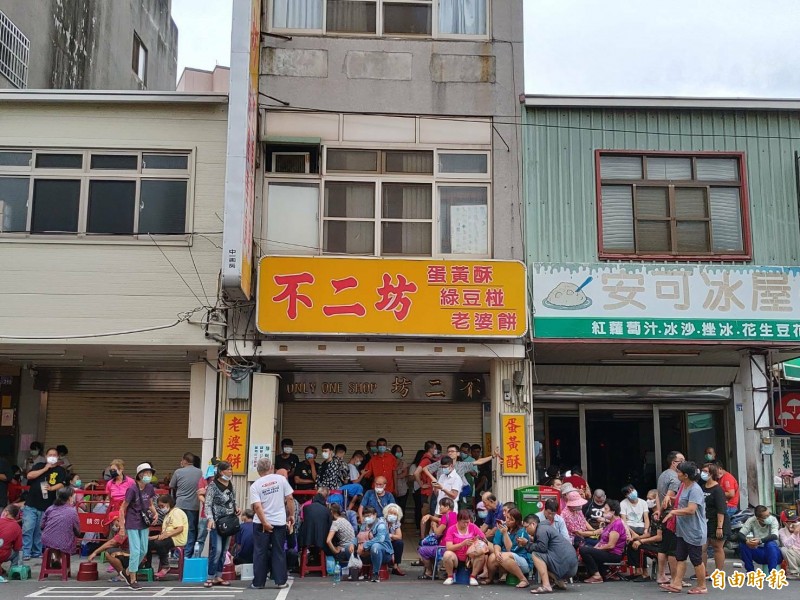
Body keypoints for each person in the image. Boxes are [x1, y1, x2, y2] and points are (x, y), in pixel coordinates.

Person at [661, 461, 707, 595]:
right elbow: (681, 501)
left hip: (694, 531)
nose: (677, 474)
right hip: (682, 530)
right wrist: (670, 498)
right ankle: (676, 584)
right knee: (680, 557)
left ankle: (702, 586)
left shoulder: (695, 489)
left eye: (679, 472)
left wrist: (673, 512)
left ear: (685, 475)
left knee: (696, 560)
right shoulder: (683, 486)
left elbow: (691, 509)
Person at [250, 458, 295, 590]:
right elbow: (290, 498)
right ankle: (280, 581)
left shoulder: (255, 485)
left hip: (260, 524)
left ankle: (258, 583)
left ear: (258, 471)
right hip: (279, 522)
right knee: (278, 551)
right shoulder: (281, 480)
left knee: (260, 552)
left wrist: (264, 523)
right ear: (271, 467)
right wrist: (291, 515)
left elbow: (257, 507)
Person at [23, 446, 68, 560]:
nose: (52, 457)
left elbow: (63, 483)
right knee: (28, 528)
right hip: (31, 503)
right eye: (50, 455)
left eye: (54, 455)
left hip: (47, 505)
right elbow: (29, 476)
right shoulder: (39, 466)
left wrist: (52, 488)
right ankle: (26, 552)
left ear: (58, 457)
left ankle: (37, 552)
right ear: (46, 456)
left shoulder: (60, 470)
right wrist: (45, 469)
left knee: (39, 530)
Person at [119, 463, 158, 591]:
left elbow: (150, 503)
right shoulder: (132, 489)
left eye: (150, 473)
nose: (148, 476)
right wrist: (122, 526)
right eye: (146, 473)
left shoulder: (150, 488)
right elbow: (122, 508)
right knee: (135, 550)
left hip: (144, 521)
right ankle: (133, 579)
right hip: (132, 521)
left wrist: (155, 513)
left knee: (143, 550)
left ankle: (128, 570)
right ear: (140, 475)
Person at [204, 460, 239, 588]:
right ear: (221, 471)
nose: (230, 472)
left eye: (231, 469)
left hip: (229, 521)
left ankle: (219, 575)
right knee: (217, 549)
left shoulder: (230, 484)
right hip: (217, 521)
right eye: (228, 469)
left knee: (224, 550)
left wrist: (236, 507)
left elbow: (233, 500)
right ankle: (210, 576)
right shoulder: (213, 486)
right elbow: (207, 504)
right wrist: (210, 518)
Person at [525, 513, 578, 594]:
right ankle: (560, 583)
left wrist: (526, 544)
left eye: (526, 527)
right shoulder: (546, 528)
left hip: (566, 564)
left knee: (535, 554)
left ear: (533, 524)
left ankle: (546, 586)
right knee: (543, 560)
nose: (526, 530)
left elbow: (541, 548)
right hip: (572, 566)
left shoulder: (541, 529)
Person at [580, 499, 627, 583]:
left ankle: (596, 575)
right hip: (607, 551)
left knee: (584, 550)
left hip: (613, 554)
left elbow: (610, 545)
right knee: (586, 547)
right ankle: (598, 573)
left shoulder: (617, 524)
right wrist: (595, 548)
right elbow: (602, 540)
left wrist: (597, 549)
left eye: (606, 509)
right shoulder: (610, 523)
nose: (603, 511)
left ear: (612, 512)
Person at [655, 450, 684, 585]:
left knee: (664, 547)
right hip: (671, 514)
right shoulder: (675, 477)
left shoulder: (663, 475)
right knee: (673, 549)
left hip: (663, 514)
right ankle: (675, 578)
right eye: (681, 461)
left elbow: (658, 496)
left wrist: (659, 511)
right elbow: (669, 498)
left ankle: (661, 575)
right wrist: (661, 511)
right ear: (674, 463)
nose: (684, 463)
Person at [87, 511, 137, 587]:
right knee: (114, 550)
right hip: (134, 555)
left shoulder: (124, 529)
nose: (113, 526)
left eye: (113, 523)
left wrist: (95, 552)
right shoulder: (128, 525)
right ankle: (125, 573)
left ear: (118, 520)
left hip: (135, 557)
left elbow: (111, 543)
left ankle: (123, 575)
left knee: (109, 553)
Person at [486, 507, 531, 588]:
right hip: (506, 558)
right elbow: (497, 543)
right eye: (507, 517)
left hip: (522, 561)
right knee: (492, 557)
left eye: (511, 519)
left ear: (516, 522)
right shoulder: (503, 527)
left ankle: (523, 580)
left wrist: (505, 534)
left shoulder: (521, 532)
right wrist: (497, 552)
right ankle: (490, 578)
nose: (507, 520)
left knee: (504, 556)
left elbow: (510, 549)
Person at [441, 508, 486, 586]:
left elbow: (483, 538)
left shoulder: (473, 527)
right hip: (456, 558)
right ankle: (450, 576)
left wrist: (476, 541)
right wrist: (462, 544)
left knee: (481, 555)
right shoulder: (451, 529)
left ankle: (473, 576)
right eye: (463, 522)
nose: (466, 524)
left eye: (467, 522)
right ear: (458, 520)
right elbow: (449, 547)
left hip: (470, 556)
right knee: (447, 554)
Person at [169, 452, 202, 558]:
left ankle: (178, 553)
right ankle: (188, 553)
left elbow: (171, 485)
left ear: (185, 461)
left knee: (179, 528)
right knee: (191, 529)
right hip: (194, 505)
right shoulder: (200, 472)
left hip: (180, 505)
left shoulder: (178, 472)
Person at [40, 487, 80, 572]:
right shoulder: (72, 511)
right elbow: (77, 530)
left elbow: (42, 525)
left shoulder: (50, 508)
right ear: (69, 498)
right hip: (63, 542)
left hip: (47, 539)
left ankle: (55, 558)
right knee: (63, 540)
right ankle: (58, 559)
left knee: (55, 540)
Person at [627, 490, 663, 582]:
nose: (647, 501)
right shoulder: (653, 515)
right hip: (653, 544)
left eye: (650, 499)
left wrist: (641, 541)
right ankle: (637, 571)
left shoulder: (660, 516)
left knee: (640, 547)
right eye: (647, 498)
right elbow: (650, 534)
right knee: (632, 543)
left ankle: (644, 574)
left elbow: (659, 537)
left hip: (660, 547)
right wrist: (637, 537)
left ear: (656, 500)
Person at [149, 494, 188, 579]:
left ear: (169, 503)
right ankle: (147, 567)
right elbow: (164, 533)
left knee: (159, 543)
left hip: (177, 538)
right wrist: (153, 537)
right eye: (159, 507)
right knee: (148, 543)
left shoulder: (177, 512)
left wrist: (165, 535)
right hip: (168, 537)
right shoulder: (167, 515)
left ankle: (165, 566)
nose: (161, 508)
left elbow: (180, 529)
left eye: (162, 506)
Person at [417, 497, 457, 579]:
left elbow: (437, 533)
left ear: (447, 507)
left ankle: (429, 572)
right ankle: (434, 571)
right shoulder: (455, 515)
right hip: (455, 546)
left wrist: (434, 526)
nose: (439, 507)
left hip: (443, 548)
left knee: (423, 550)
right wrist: (430, 517)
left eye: (441, 506)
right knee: (430, 548)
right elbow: (440, 519)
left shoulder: (445, 517)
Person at [700, 462, 729, 574]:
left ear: (712, 473)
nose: (703, 473)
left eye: (706, 471)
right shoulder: (702, 488)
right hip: (704, 522)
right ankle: (702, 571)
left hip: (717, 522)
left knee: (717, 547)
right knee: (702, 548)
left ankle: (719, 572)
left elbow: (721, 509)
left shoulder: (718, 490)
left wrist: (719, 527)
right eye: (703, 471)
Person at [737, 504, 781, 574]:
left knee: (770, 544)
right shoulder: (751, 520)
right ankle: (750, 572)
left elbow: (774, 536)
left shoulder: (773, 519)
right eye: (766, 516)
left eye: (768, 514)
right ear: (758, 518)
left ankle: (772, 573)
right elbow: (740, 534)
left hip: (774, 553)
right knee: (743, 545)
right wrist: (747, 541)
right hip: (759, 552)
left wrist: (760, 541)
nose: (768, 517)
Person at [358, 505, 394, 583]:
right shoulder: (364, 525)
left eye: (369, 515)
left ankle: (375, 574)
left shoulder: (381, 525)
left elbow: (380, 539)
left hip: (385, 554)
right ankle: (357, 572)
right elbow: (359, 535)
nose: (367, 518)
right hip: (368, 552)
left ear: (375, 515)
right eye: (365, 516)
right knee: (349, 547)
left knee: (375, 546)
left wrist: (365, 545)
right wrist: (353, 544)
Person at [413, 441, 438, 525]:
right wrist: (421, 485)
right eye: (434, 448)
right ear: (430, 449)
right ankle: (423, 535)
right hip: (427, 492)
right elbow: (416, 473)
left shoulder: (432, 459)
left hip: (432, 490)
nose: (436, 450)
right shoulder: (426, 460)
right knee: (426, 514)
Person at [299, 487, 333, 551]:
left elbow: (302, 521)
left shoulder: (305, 506)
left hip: (306, 539)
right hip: (322, 541)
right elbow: (330, 526)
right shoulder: (327, 510)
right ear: (326, 497)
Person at [383, 502, 405, 576]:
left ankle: (395, 567)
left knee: (399, 543)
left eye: (395, 514)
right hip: (382, 541)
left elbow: (399, 536)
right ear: (387, 513)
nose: (392, 515)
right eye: (391, 513)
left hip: (391, 540)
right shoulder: (381, 521)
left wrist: (391, 535)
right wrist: (390, 536)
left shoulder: (396, 522)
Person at [778, 509, 800, 578]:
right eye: (791, 521)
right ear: (785, 523)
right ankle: (795, 573)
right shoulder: (782, 531)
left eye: (795, 521)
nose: (794, 523)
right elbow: (786, 544)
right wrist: (794, 533)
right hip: (794, 556)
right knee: (784, 549)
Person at [0, 504, 22, 571]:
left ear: (7, 512)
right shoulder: (17, 528)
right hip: (3, 554)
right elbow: (17, 547)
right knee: (17, 553)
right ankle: (13, 571)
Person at [392, 445, 410, 512]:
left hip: (403, 488)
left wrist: (395, 476)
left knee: (402, 508)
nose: (399, 453)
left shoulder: (403, 462)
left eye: (400, 451)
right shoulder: (391, 462)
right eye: (397, 451)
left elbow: (405, 474)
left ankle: (401, 521)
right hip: (392, 488)